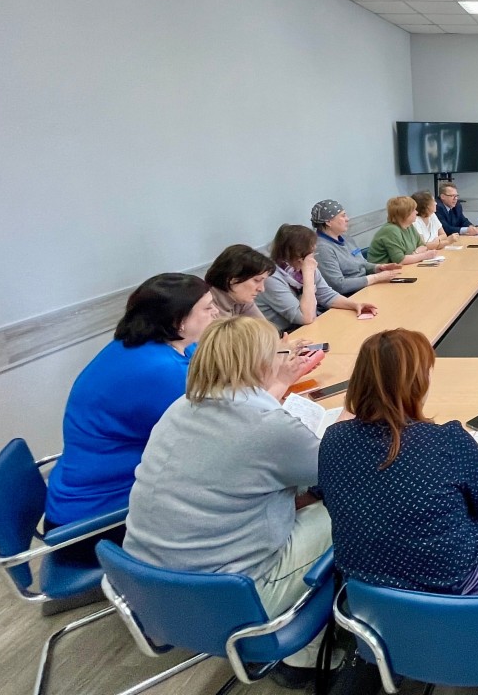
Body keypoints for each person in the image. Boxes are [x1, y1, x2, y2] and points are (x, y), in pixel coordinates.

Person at [124, 316, 332, 685]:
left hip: (146, 589)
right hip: (232, 599)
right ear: (260, 364)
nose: (283, 359)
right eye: (279, 354)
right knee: (347, 511)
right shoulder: (267, 425)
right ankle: (303, 657)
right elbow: (335, 472)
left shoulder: (179, 409)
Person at [318, 329, 478, 620]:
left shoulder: (332, 440)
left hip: (371, 604)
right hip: (455, 593)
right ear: (418, 383)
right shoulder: (448, 440)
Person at [44, 274, 219, 530]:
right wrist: (274, 385)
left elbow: (214, 381)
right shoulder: (159, 369)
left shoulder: (155, 343)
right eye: (207, 307)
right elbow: (219, 433)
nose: (216, 312)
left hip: (98, 484)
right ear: (178, 320)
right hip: (97, 516)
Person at [257, 224, 378, 332]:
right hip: (284, 333)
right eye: (311, 251)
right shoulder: (270, 277)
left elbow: (327, 295)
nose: (313, 256)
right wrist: (308, 275)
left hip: (305, 326)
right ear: (297, 254)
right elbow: (305, 317)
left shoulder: (303, 264)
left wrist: (354, 305)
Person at [310, 199, 401, 295]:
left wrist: (378, 268)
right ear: (328, 222)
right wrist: (376, 277)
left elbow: (361, 263)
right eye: (343, 216)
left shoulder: (346, 238)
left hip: (365, 289)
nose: (347, 219)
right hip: (348, 296)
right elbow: (339, 285)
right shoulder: (322, 248)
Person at [206, 245, 273, 321]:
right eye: (257, 280)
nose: (262, 289)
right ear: (232, 278)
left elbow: (265, 327)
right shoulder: (207, 308)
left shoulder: (241, 299)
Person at [367, 197, 437, 265]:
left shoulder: (409, 226)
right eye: (413, 210)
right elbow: (400, 260)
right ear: (405, 213)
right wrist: (425, 255)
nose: (416, 212)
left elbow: (423, 246)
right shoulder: (391, 230)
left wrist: (415, 254)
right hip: (383, 270)